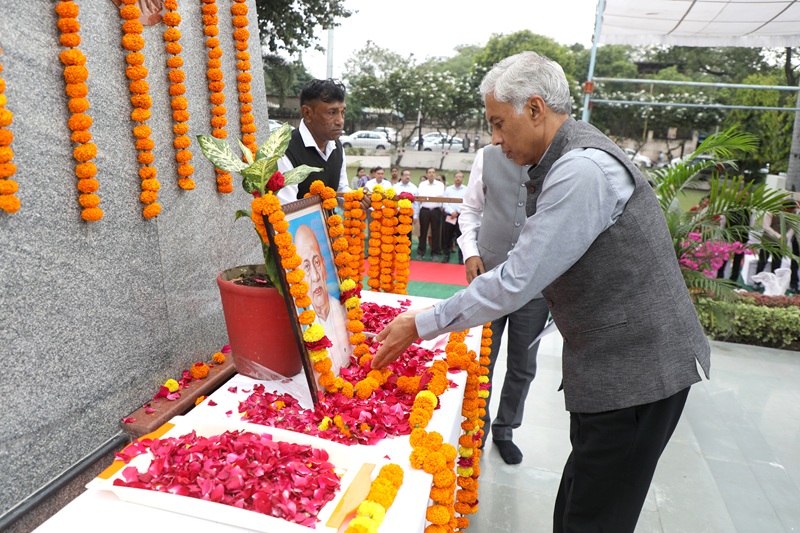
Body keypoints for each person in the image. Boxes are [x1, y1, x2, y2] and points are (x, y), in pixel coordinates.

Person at [372, 51, 710, 532]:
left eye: (497, 123)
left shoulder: (581, 171)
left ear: (534, 109)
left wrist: (421, 323)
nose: (494, 139)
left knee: (594, 517)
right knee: (579, 498)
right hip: (613, 365)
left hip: (638, 371)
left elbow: (517, 279)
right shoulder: (567, 158)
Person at [457, 146, 549, 463]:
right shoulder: (488, 156)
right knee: (482, 361)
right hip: (488, 278)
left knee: (522, 366)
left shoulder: (559, 159)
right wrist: (470, 251)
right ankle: (475, 429)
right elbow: (470, 209)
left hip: (535, 285)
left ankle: (505, 429)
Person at [277, 79, 350, 204]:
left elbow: (341, 190)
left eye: (342, 112)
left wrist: (357, 198)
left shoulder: (336, 146)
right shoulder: (285, 152)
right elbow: (287, 209)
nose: (340, 121)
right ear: (307, 113)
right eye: (332, 112)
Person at [294, 224, 351, 375]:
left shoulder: (342, 308)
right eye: (306, 267)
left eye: (316, 262)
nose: (315, 276)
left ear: (325, 266)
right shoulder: (301, 322)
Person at [416, 167, 445, 260]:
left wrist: (430, 197)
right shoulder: (422, 184)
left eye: (433, 172)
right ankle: (421, 252)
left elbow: (440, 196)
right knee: (423, 231)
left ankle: (435, 252)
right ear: (427, 174)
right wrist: (431, 197)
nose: (431, 174)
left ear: (435, 174)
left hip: (436, 210)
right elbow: (421, 196)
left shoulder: (440, 184)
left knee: (435, 232)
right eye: (429, 172)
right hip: (425, 209)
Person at [442, 171, 467, 264]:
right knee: (447, 236)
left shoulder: (466, 189)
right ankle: (446, 255)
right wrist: (452, 212)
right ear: (454, 178)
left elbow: (466, 203)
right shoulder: (448, 189)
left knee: (461, 236)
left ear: (463, 179)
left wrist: (457, 212)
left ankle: (461, 258)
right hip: (449, 216)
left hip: (461, 216)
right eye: (456, 177)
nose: (458, 178)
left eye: (460, 177)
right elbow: (444, 202)